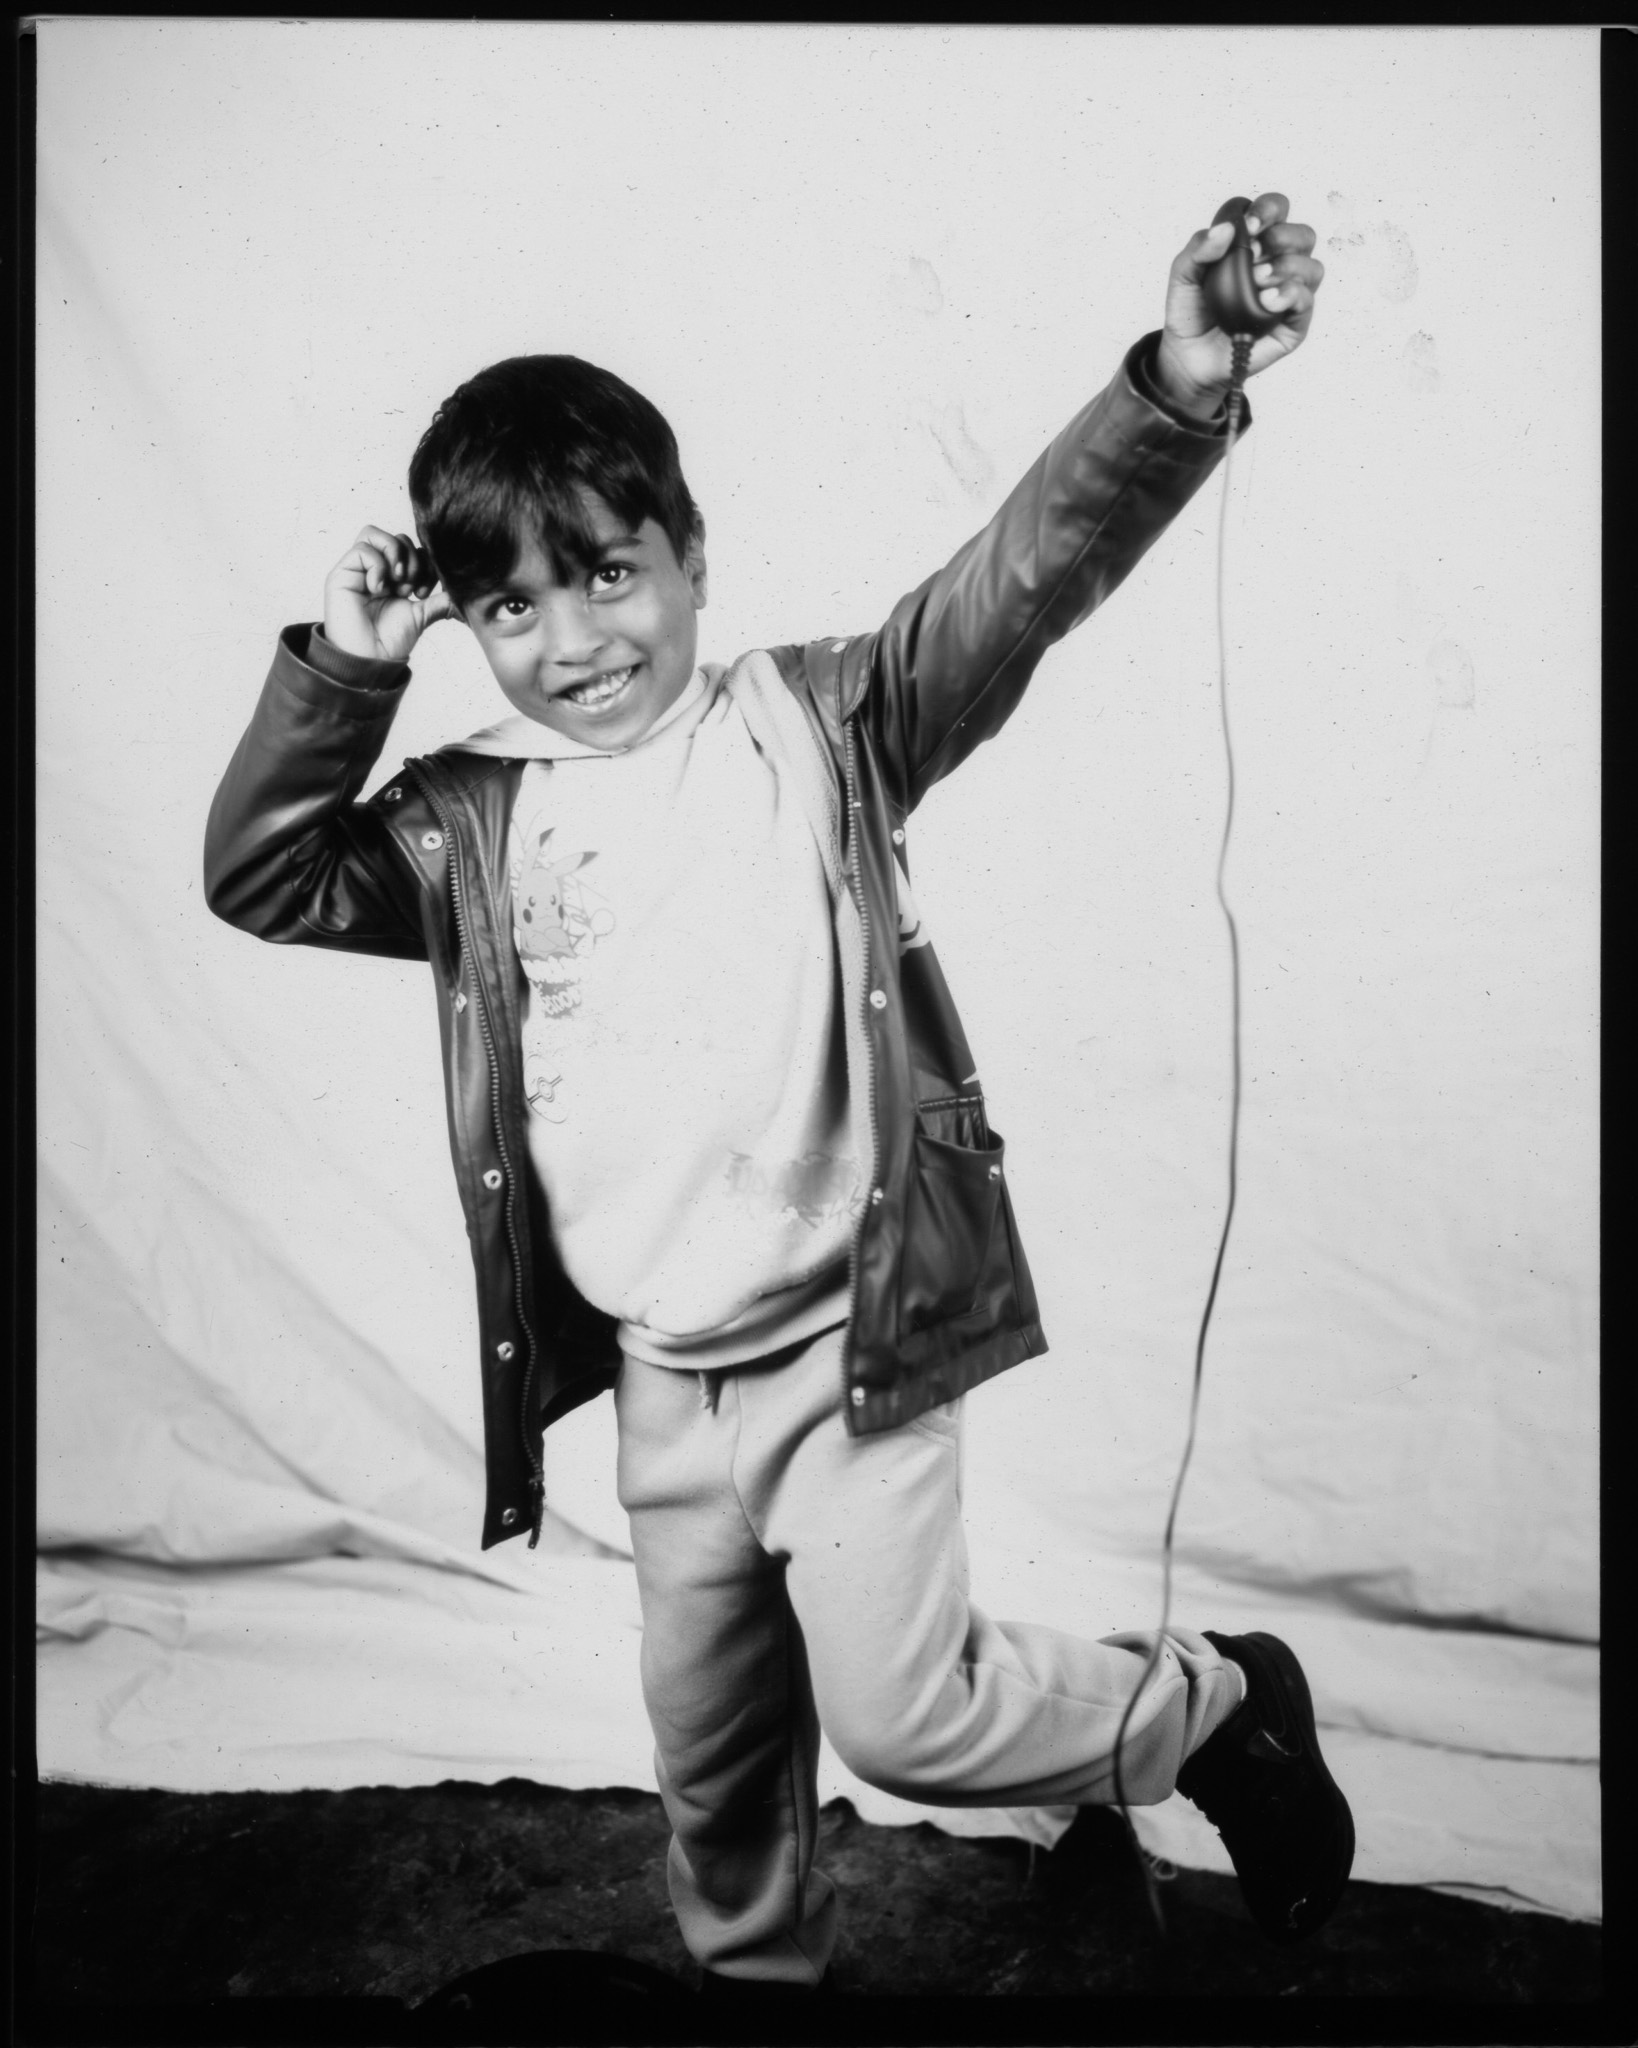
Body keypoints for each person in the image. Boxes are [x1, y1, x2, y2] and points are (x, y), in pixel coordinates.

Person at [205, 193, 1352, 1987]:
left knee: (906, 1724)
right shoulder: (470, 820)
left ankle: (1201, 1712)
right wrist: (349, 667)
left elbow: (1018, 581)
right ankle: (757, 1999)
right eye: (509, 605)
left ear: (689, 553)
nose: (575, 637)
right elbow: (266, 878)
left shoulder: (824, 724)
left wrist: (1176, 384)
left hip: (848, 1341)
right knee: (715, 1763)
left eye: (606, 572)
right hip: (666, 1374)